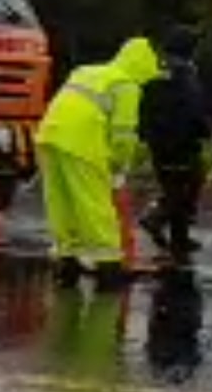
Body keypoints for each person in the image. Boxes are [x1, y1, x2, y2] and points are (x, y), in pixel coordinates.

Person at [35, 35, 162, 291]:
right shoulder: (127, 85)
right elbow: (123, 134)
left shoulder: (88, 71)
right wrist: (118, 165)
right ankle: (108, 265)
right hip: (82, 142)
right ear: (143, 67)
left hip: (49, 134)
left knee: (61, 200)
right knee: (93, 202)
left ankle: (66, 258)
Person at [138, 23, 212, 256]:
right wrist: (205, 129)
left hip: (157, 139)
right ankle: (157, 218)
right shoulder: (185, 72)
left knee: (172, 184)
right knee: (189, 183)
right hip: (182, 140)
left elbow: (145, 104)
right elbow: (193, 106)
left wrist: (145, 131)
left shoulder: (155, 68)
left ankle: (179, 238)